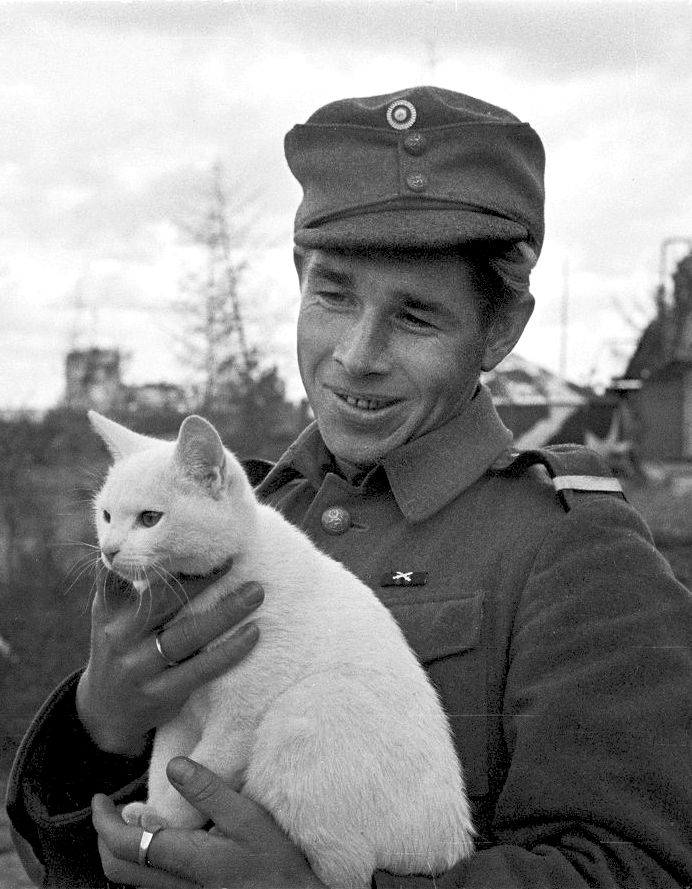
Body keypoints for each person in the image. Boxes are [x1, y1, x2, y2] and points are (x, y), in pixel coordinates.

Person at [7, 86, 692, 889]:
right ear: (299, 281)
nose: (358, 355)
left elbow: (635, 867)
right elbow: (75, 863)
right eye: (333, 294)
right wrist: (100, 726)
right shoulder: (232, 517)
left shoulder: (575, 549)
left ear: (500, 329)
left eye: (416, 316)